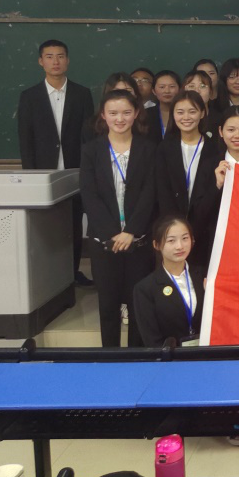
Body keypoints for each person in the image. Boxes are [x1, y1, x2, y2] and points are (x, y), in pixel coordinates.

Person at [78, 89, 156, 347]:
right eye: (113, 113)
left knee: (137, 303)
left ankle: (136, 357)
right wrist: (113, 233)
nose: (119, 119)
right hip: (104, 241)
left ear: (136, 114)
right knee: (108, 304)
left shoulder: (148, 148)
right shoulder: (91, 150)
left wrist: (131, 230)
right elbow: (89, 195)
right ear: (103, 115)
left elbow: (150, 193)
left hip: (138, 240)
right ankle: (109, 357)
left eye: (126, 112)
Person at [17, 39, 95, 287]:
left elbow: (89, 137)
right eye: (49, 57)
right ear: (41, 61)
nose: (55, 61)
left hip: (75, 172)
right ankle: (48, 276)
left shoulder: (82, 94)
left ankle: (72, 273)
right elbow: (26, 140)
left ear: (67, 60)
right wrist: (31, 177)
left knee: (74, 224)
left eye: (60, 56)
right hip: (43, 174)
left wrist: (87, 171)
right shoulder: (29, 96)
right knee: (45, 227)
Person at [154, 91, 219, 275]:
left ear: (202, 113)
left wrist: (194, 230)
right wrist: (176, 228)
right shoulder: (165, 148)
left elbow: (213, 194)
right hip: (172, 230)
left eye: (192, 111)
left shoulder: (215, 148)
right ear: (173, 114)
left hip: (204, 230)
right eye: (180, 112)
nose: (186, 117)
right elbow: (162, 191)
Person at [190, 106, 239, 274]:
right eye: (231, 130)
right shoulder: (209, 165)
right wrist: (217, 186)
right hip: (217, 246)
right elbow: (198, 214)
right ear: (220, 131)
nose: (237, 135)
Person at [133, 215, 205, 348]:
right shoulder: (145, 289)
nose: (180, 246)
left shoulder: (205, 277)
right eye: (171, 241)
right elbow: (151, 340)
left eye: (185, 238)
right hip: (169, 357)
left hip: (206, 354)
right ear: (156, 245)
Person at [146, 70, 180, 143]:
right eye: (162, 87)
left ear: (179, 89)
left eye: (172, 86)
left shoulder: (185, 114)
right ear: (154, 91)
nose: (167, 91)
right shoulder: (145, 114)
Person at [182, 69, 217, 137]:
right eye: (191, 86)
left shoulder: (220, 119)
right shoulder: (179, 118)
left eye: (202, 86)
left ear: (210, 92)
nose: (197, 91)